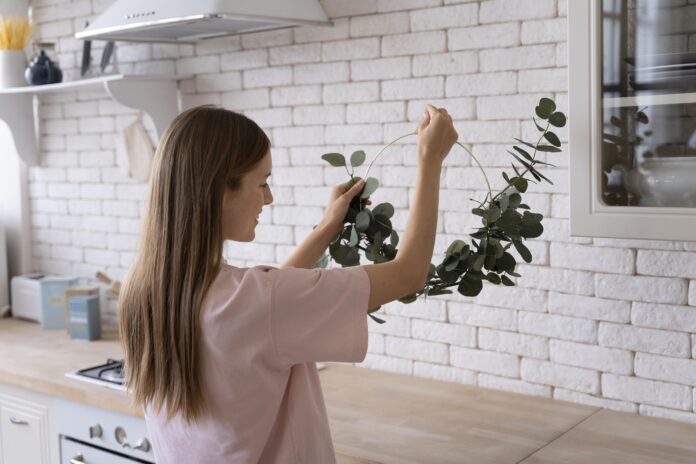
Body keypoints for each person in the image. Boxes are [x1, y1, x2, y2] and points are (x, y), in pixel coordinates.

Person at [119, 104, 458, 463]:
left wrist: (327, 229)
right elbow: (408, 274)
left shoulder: (141, 292)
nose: (269, 198)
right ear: (220, 190)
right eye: (262, 182)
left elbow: (263, 312)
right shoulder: (256, 301)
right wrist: (430, 158)